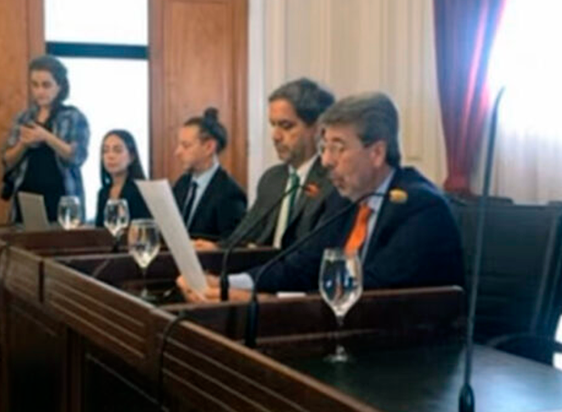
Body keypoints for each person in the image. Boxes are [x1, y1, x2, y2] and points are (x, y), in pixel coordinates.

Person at [180, 92, 464, 302]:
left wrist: (264, 302)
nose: (326, 161)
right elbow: (302, 265)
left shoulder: (421, 209)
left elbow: (368, 294)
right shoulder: (345, 199)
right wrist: (227, 283)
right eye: (324, 147)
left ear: (377, 152)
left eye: (338, 148)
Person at [194, 78, 335, 251]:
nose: (275, 136)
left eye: (286, 126)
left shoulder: (333, 182)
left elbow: (313, 253)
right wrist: (216, 249)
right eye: (273, 125)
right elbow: (241, 238)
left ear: (318, 128)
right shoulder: (272, 179)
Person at [2, 55, 90, 222]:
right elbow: (7, 160)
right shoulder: (23, 118)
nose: (40, 91)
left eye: (46, 85)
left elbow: (76, 156)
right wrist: (23, 144)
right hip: (27, 196)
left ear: (60, 86)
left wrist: (46, 137)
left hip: (62, 196)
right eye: (35, 85)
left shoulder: (73, 117)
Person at [173, 107, 246, 241]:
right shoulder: (182, 184)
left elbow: (233, 243)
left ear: (209, 147)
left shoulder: (230, 193)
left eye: (186, 146)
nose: (177, 152)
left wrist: (216, 247)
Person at [95, 129, 151, 227]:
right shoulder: (103, 193)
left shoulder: (141, 191)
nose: (110, 156)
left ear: (131, 157)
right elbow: (98, 229)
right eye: (105, 151)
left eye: (117, 151)